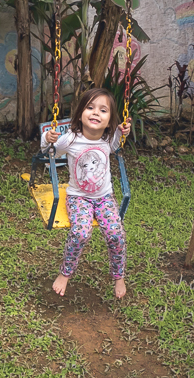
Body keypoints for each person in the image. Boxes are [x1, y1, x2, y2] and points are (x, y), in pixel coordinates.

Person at [42, 87, 132, 300]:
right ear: (80, 113)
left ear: (110, 120)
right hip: (78, 198)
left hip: (104, 198)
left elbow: (117, 144)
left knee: (116, 235)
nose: (95, 113)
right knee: (81, 233)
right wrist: (48, 138)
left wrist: (122, 131)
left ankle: (119, 276)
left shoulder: (108, 140)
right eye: (90, 107)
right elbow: (48, 153)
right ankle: (65, 274)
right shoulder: (70, 139)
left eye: (103, 110)